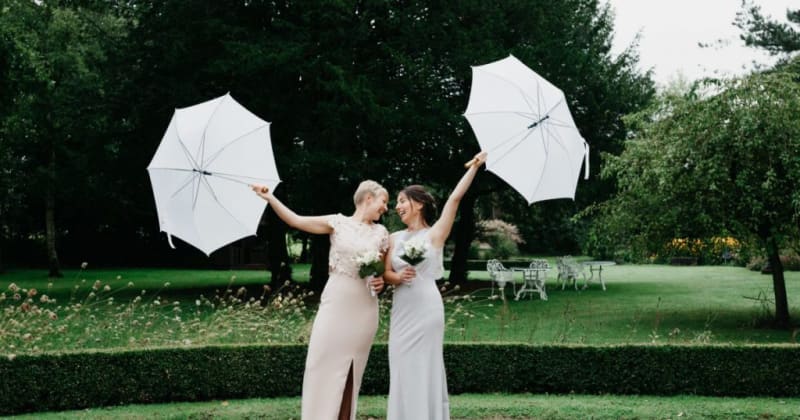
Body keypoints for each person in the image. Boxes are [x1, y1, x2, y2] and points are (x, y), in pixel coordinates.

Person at [251, 180, 389, 420]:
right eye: (383, 201)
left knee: (352, 371)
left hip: (365, 308)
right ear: (368, 198)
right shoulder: (337, 222)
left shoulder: (382, 233)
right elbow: (296, 220)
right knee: (321, 364)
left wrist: (382, 281)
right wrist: (270, 198)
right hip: (336, 303)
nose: (385, 208)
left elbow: (383, 272)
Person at [383, 151, 487, 420]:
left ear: (418, 204)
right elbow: (385, 275)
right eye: (396, 202)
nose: (397, 206)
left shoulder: (435, 234)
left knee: (425, 366)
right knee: (401, 364)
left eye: (402, 201)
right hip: (402, 311)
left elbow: (454, 199)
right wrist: (397, 277)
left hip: (427, 308)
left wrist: (475, 167)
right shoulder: (392, 237)